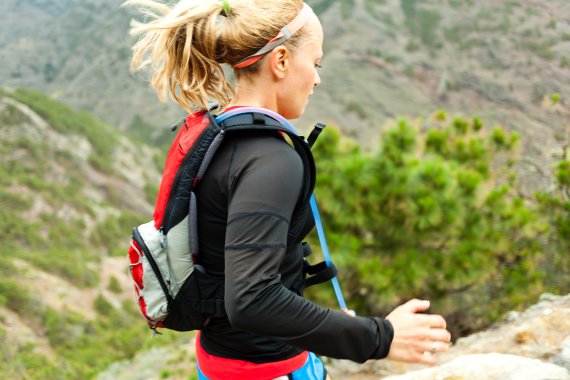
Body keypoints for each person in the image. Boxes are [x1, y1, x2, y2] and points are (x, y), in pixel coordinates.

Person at [126, 0, 452, 378]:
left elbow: (234, 271)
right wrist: (380, 336)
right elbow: (252, 299)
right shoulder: (269, 159)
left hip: (221, 360)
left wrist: (328, 326)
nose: (317, 79)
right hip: (268, 370)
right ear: (280, 61)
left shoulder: (217, 133)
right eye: (316, 63)